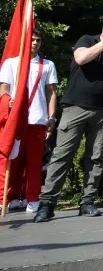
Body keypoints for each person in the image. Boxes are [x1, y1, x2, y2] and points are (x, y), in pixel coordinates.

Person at [33, 17, 103, 222]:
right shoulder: (87, 39)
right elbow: (80, 58)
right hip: (75, 107)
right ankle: (47, 204)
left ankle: (87, 202)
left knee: (96, 158)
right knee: (62, 155)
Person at [0, 28, 58, 214]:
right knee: (12, 160)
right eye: (32, 39)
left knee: (34, 163)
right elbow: (3, 88)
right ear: (24, 41)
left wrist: (51, 117)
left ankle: (32, 197)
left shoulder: (47, 64)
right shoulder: (11, 63)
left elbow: (51, 93)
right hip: (16, 120)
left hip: (37, 120)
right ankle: (8, 197)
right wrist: (7, 100)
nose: (35, 43)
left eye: (38, 40)